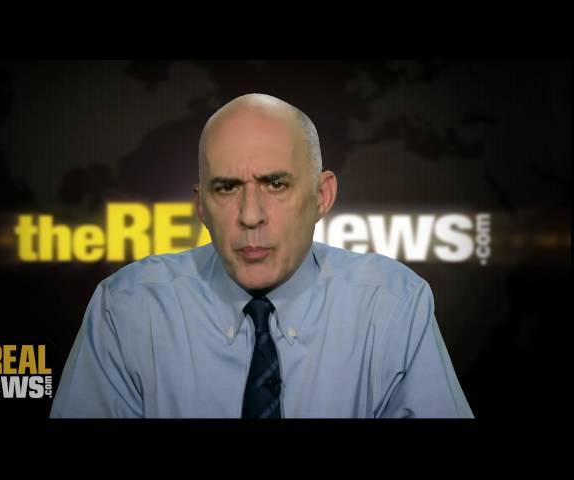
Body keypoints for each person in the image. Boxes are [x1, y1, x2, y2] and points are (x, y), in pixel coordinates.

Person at [50, 93, 474, 418]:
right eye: (226, 187)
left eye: (275, 184)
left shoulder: (393, 306)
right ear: (201, 206)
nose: (250, 215)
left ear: (322, 196)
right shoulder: (126, 309)